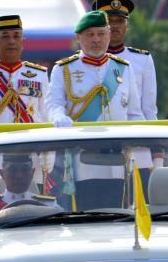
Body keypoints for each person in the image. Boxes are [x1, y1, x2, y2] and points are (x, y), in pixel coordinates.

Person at [46, 11, 144, 210]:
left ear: (109, 35)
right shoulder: (64, 69)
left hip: (118, 161)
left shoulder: (123, 68)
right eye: (90, 35)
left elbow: (135, 114)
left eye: (101, 33)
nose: (96, 40)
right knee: (86, 218)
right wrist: (59, 117)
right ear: (79, 38)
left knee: (118, 217)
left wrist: (142, 159)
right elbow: (53, 104)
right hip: (83, 162)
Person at [92, 0, 157, 120]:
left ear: (127, 26)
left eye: (120, 21)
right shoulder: (84, 59)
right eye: (110, 20)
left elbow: (149, 110)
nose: (115, 25)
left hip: (129, 132)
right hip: (94, 131)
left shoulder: (143, 60)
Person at [0, 154, 58, 219]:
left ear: (32, 173)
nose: (19, 176)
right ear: (2, 174)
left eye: (25, 169)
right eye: (12, 170)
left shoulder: (48, 204)